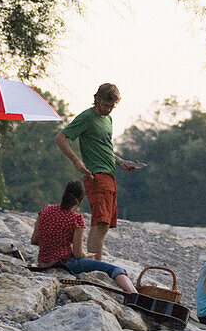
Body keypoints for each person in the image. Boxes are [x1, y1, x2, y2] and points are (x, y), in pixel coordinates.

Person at [55, 82, 137, 258]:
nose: (108, 109)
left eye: (112, 106)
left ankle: (94, 260)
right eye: (106, 105)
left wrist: (121, 162)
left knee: (106, 224)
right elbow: (61, 138)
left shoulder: (108, 119)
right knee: (100, 223)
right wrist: (76, 160)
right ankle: (94, 265)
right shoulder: (87, 117)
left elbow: (105, 147)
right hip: (96, 176)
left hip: (110, 174)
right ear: (97, 99)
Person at [31, 180, 136, 293]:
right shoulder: (76, 219)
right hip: (65, 263)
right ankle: (135, 295)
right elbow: (77, 254)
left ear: (64, 194)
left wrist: (52, 243)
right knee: (116, 270)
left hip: (43, 262)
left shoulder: (46, 209)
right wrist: (86, 255)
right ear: (80, 200)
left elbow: (34, 240)